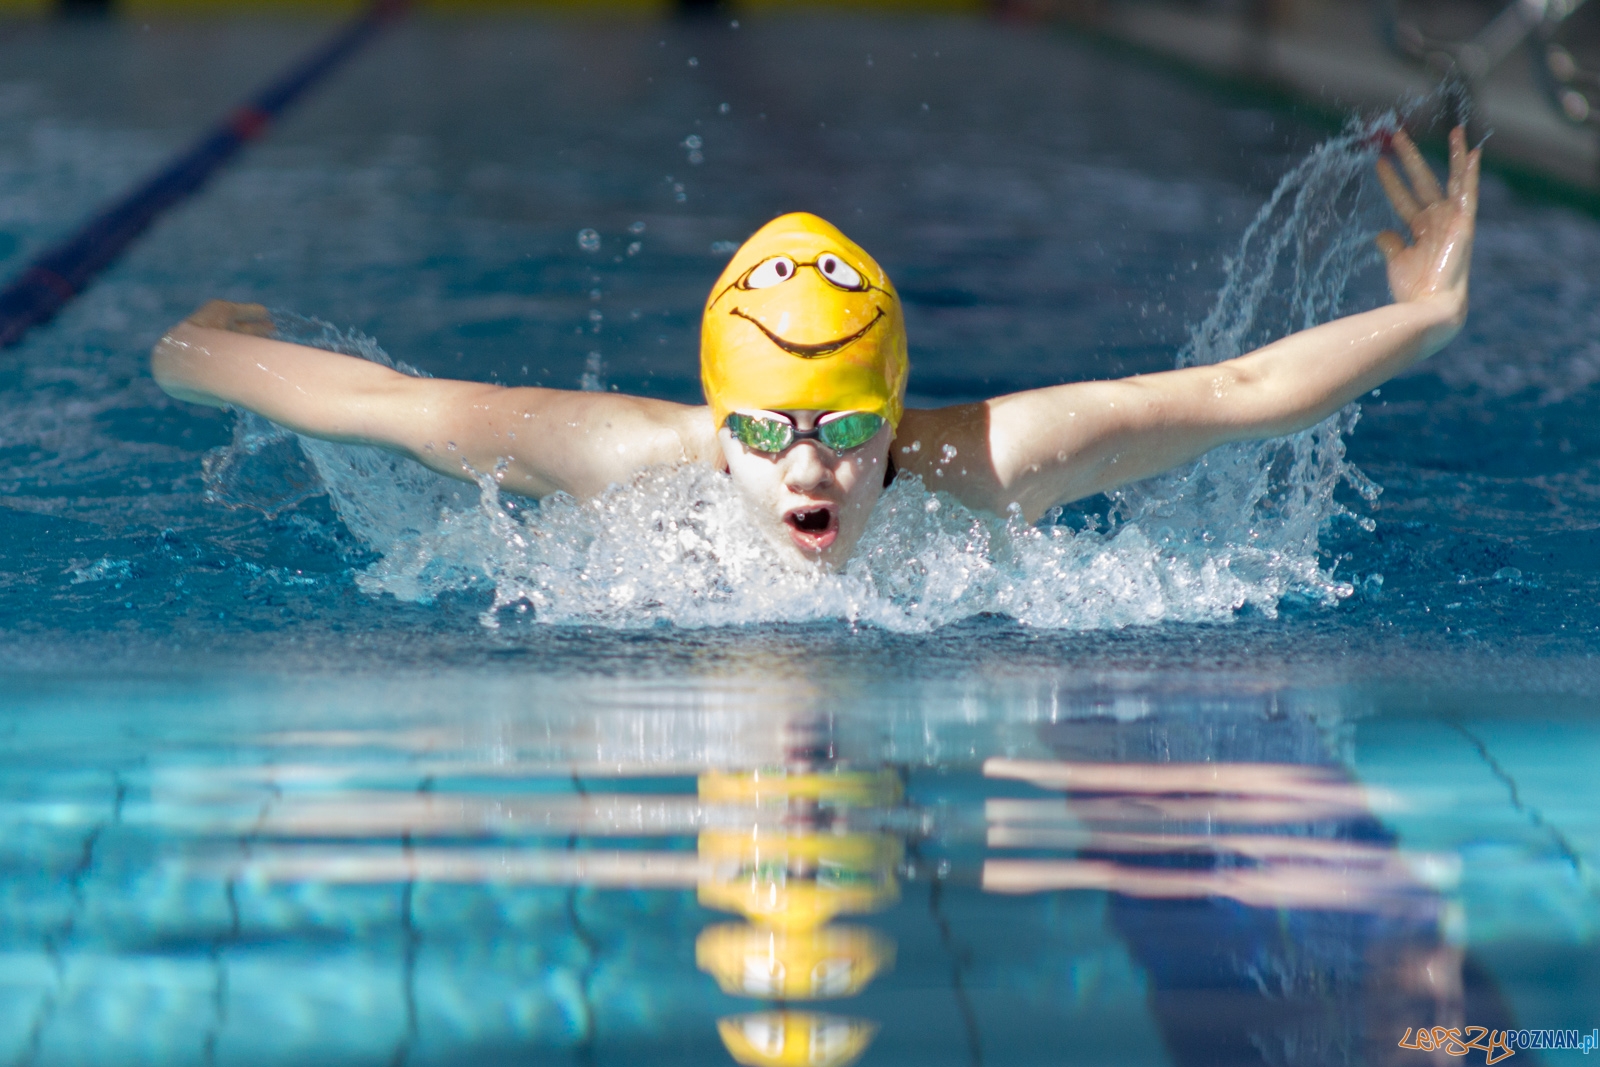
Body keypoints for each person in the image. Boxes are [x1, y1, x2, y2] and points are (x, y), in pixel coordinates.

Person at [152, 128, 1479, 570]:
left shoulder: (987, 463)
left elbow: (1238, 394)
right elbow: (386, 405)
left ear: (894, 421)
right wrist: (202, 350)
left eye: (848, 431)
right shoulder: (616, 461)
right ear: (715, 419)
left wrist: (1427, 315)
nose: (815, 469)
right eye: (773, 429)